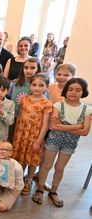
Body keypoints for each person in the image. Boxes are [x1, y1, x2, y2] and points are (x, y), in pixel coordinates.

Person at [33, 78, 91, 207]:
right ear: (65, 91)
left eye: (78, 90)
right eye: (70, 89)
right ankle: (40, 188)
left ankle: (53, 191)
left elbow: (85, 131)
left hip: (70, 144)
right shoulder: (58, 105)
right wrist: (77, 126)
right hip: (54, 139)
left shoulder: (87, 109)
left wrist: (64, 126)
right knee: (46, 165)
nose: (73, 93)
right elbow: (54, 127)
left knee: (60, 167)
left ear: (83, 92)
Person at [12, 74, 52, 196]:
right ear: (30, 85)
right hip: (21, 134)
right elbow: (20, 116)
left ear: (46, 87)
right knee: (21, 157)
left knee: (32, 159)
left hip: (34, 136)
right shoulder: (25, 99)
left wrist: (38, 141)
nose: (37, 88)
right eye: (34, 85)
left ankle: (29, 180)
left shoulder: (47, 103)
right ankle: (20, 178)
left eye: (41, 85)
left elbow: (45, 125)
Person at [0, 141, 24, 211]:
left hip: (14, 187)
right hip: (1, 183)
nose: (0, 151)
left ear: (10, 153)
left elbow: (19, 184)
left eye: (4, 149)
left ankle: (6, 195)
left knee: (1, 207)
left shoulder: (16, 167)